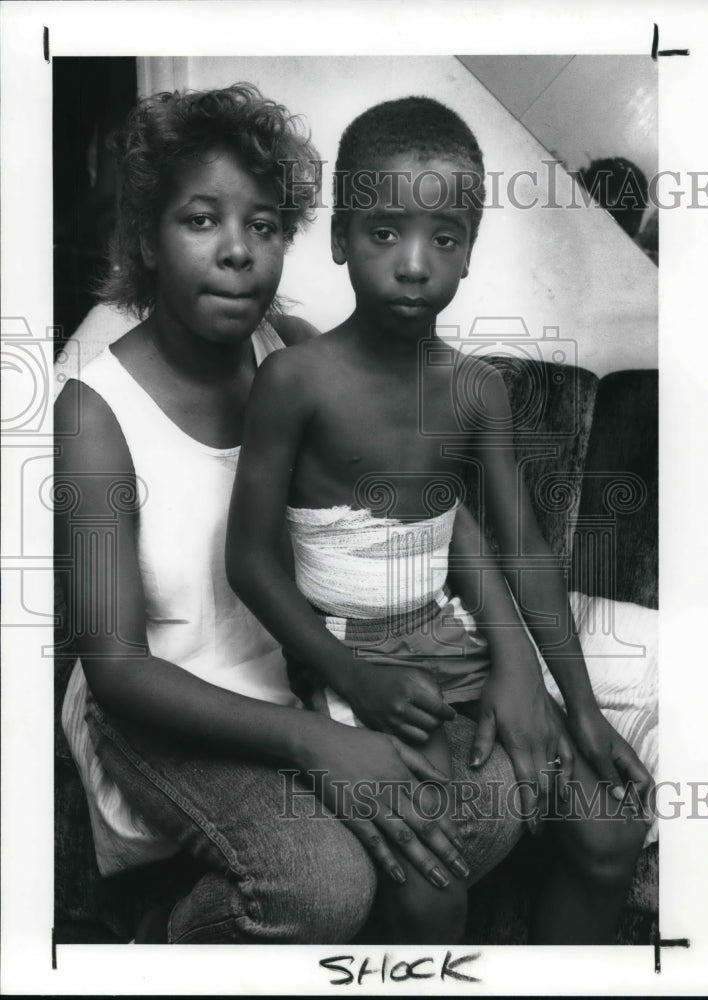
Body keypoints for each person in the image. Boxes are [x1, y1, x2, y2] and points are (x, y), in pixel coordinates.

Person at [56, 84, 522, 945]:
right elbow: (117, 669)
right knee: (322, 887)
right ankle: (158, 944)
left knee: (476, 816)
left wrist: (512, 661)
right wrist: (318, 746)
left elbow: (424, 509)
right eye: (201, 220)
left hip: (307, 674)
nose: (238, 252)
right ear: (148, 241)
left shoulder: (291, 348)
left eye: (264, 226)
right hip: (165, 706)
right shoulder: (92, 411)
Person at [227, 96, 652, 944]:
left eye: (445, 238)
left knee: (608, 835)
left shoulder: (473, 390)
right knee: (431, 880)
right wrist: (348, 678)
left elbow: (526, 552)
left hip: (449, 638)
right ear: (341, 238)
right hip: (350, 655)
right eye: (385, 233)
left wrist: (581, 705)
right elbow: (250, 564)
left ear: (468, 250)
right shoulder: (295, 382)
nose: (415, 264)